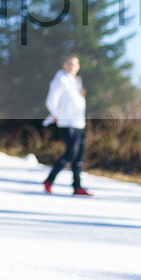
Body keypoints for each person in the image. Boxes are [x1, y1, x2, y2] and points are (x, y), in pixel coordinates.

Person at [42, 55, 92, 196]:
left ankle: (77, 186)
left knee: (79, 155)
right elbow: (51, 101)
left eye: (74, 64)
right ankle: (49, 181)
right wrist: (57, 115)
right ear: (64, 64)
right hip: (67, 122)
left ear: (78, 66)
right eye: (69, 63)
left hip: (79, 123)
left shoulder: (76, 80)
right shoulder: (61, 80)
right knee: (71, 153)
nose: (71, 66)